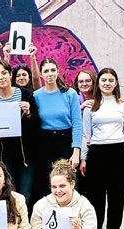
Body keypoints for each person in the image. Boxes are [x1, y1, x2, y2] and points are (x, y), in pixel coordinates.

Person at [80, 68, 124, 229]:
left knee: (117, 197)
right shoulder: (90, 106)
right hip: (96, 154)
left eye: (111, 80)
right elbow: (87, 134)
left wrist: (112, 139)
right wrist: (84, 158)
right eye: (104, 80)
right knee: (96, 197)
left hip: (119, 153)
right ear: (98, 83)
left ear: (116, 83)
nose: (107, 83)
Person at [0, 60, 40, 205]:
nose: (1, 77)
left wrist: (28, 113)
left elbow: (37, 123)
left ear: (10, 75)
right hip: (5, 154)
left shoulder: (26, 95)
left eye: (4, 73)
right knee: (9, 192)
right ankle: (11, 224)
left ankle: (24, 225)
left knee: (25, 194)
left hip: (26, 154)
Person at [34, 58, 82, 199]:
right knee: (46, 183)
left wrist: (76, 151)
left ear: (58, 72)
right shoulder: (37, 96)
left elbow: (77, 123)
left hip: (66, 141)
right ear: (41, 75)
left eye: (53, 70)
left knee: (68, 181)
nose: (50, 74)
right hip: (44, 142)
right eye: (46, 71)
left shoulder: (70, 94)